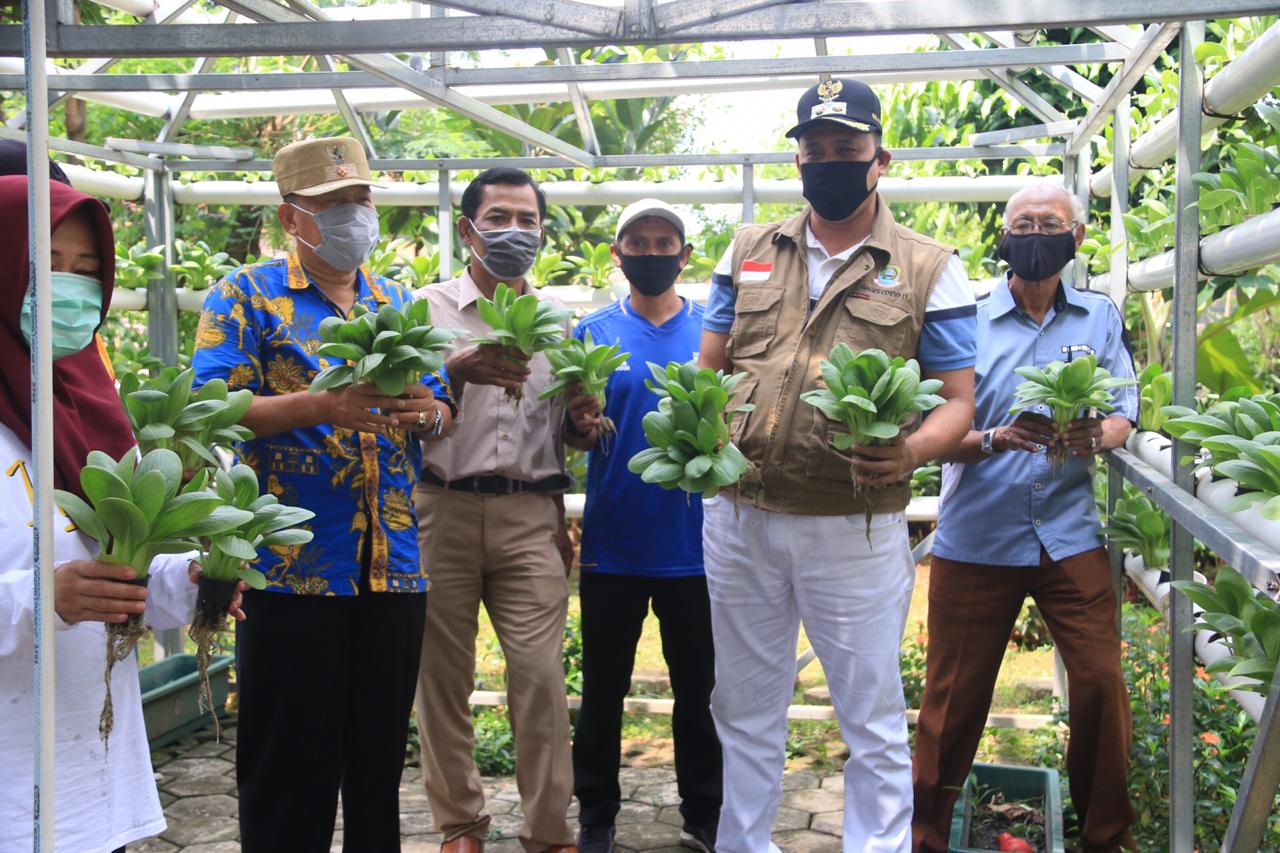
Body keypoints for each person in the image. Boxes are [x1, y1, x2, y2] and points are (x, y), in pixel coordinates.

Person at [697, 78, 978, 852]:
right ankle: (743, 844)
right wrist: (699, 438)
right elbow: (710, 366)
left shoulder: (926, 266)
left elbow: (959, 402)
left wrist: (910, 450)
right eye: (813, 150)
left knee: (872, 716)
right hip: (739, 517)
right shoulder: (749, 249)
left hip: (851, 524)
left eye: (846, 150)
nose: (827, 163)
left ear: (879, 159)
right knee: (744, 708)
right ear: (798, 158)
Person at [191, 136, 454, 853]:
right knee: (288, 771)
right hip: (290, 570)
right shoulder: (245, 294)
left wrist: (424, 412)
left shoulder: (395, 298)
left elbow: (442, 406)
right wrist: (317, 405)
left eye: (361, 200)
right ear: (292, 217)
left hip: (393, 565)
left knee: (375, 769)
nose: (353, 215)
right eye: (333, 204)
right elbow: (210, 406)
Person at [0, 175, 244, 853]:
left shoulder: (90, 406)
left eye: (86, 272)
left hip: (87, 764)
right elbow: (53, 585)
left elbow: (112, 562)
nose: (70, 289)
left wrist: (185, 581)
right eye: (45, 264)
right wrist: (40, 598)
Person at [912, 184, 1139, 853]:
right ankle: (924, 836)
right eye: (1023, 222)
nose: (1035, 233)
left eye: (1050, 223)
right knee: (950, 700)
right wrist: (994, 437)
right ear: (1004, 236)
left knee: (1100, 682)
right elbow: (929, 426)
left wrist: (1096, 434)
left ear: (1076, 238)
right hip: (977, 536)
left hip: (1068, 536)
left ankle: (1106, 837)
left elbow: (1125, 411)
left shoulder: (1098, 316)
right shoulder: (967, 315)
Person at [412, 167, 578, 853]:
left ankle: (547, 830)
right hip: (440, 508)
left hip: (529, 512)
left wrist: (587, 424)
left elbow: (563, 423)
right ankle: (459, 824)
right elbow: (402, 404)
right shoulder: (422, 308)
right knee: (441, 679)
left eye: (528, 220)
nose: (515, 231)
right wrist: (457, 366)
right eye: (500, 217)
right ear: (467, 226)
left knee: (539, 676)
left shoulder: (560, 321)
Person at [568, 199, 722, 853]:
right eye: (639, 241)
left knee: (702, 694)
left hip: (698, 549)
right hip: (613, 546)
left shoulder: (717, 331)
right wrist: (577, 424)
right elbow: (570, 436)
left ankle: (705, 816)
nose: (652, 252)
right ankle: (597, 815)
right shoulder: (590, 331)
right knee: (603, 690)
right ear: (618, 253)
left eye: (666, 242)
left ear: (686, 256)